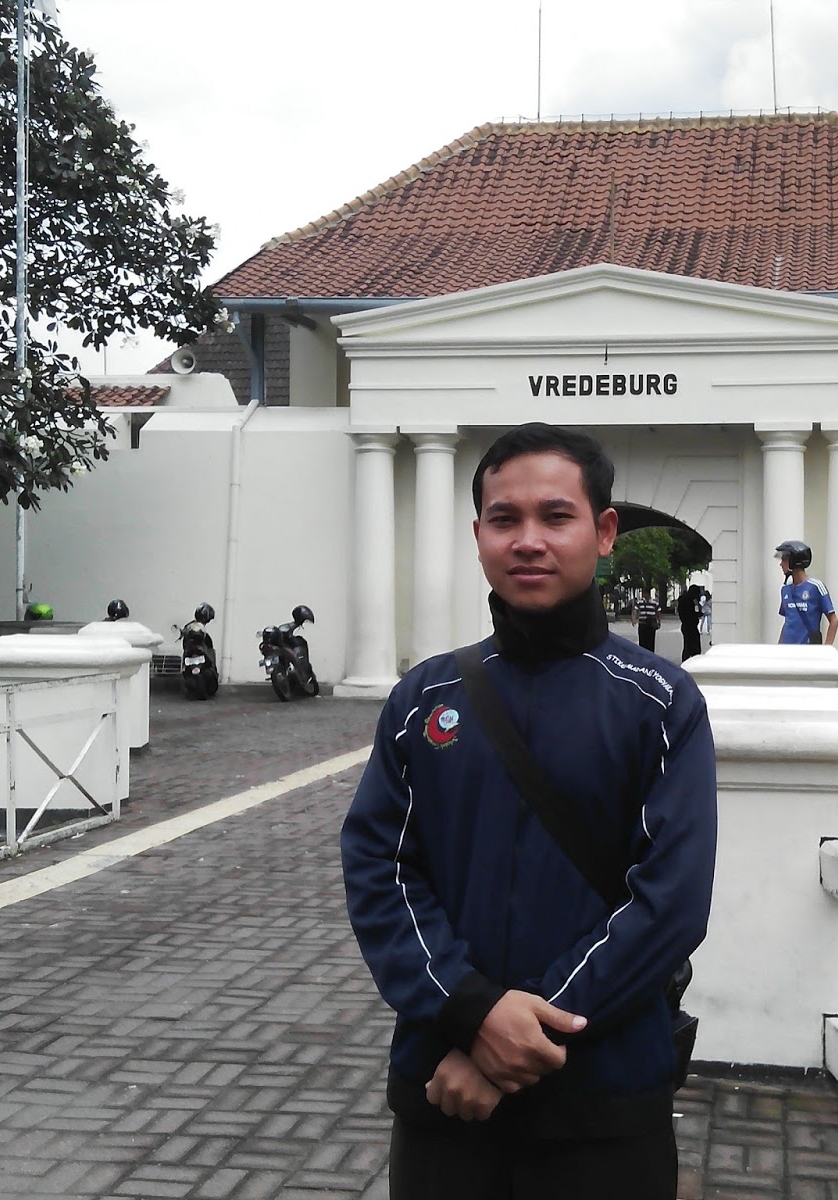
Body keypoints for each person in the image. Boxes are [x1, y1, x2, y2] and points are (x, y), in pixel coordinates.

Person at [341, 422, 718, 1200]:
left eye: (556, 516)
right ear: (478, 534)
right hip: (444, 1096)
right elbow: (381, 869)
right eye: (504, 519)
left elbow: (670, 902)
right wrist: (468, 1011)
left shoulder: (660, 702)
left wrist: (510, 1040)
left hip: (604, 1100)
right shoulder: (425, 698)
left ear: (604, 533)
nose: (528, 540)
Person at [774, 540, 837, 645]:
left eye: (784, 560)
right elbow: (788, 622)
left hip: (808, 649)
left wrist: (827, 648)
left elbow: (833, 621)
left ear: (794, 561)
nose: (781, 564)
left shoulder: (816, 587)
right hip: (787, 649)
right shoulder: (785, 590)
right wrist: (779, 647)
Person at [676, 585, 703, 662]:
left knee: (687, 645)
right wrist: (697, 614)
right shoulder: (690, 601)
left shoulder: (684, 599)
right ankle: (693, 661)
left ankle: (686, 661)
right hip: (690, 625)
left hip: (686, 625)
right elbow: (691, 613)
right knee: (693, 646)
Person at [634, 588, 661, 652]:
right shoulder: (639, 602)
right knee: (642, 641)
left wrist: (659, 621)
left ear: (648, 593)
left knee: (651, 641)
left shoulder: (655, 603)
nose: (643, 595)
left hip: (651, 624)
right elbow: (636, 610)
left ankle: (650, 653)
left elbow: (658, 612)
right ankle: (643, 653)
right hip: (642, 623)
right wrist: (634, 619)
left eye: (644, 593)